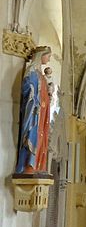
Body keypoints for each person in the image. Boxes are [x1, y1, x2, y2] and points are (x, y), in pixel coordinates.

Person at [15, 46, 52, 175]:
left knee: (41, 137)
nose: (49, 58)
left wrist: (49, 93)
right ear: (41, 55)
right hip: (34, 111)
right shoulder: (31, 71)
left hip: (42, 114)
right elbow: (26, 87)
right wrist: (34, 98)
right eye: (48, 55)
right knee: (32, 135)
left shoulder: (40, 75)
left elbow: (44, 93)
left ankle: (37, 165)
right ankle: (28, 165)